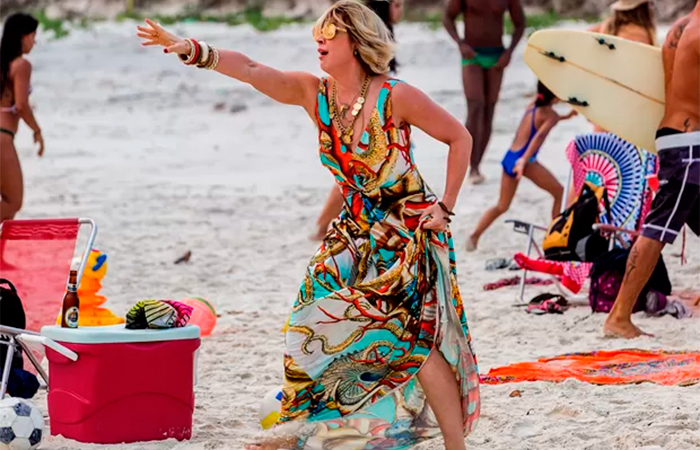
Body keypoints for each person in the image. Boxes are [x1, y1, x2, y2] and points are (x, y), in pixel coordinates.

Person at [136, 1, 480, 449]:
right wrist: (192, 48)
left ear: (355, 42)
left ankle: (456, 446)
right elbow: (254, 69)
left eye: (329, 33)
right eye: (317, 32)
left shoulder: (396, 95)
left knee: (416, 338)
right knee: (310, 316)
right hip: (354, 231)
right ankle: (331, 429)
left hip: (408, 232)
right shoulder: (313, 93)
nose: (318, 40)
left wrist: (446, 206)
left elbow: (460, 137)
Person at [604, 2, 699, 339]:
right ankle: (618, 317)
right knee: (657, 230)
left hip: (674, 137)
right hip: (691, 144)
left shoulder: (680, 27)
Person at [310, 0, 404, 241]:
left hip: (381, 114)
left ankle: (324, 225)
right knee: (356, 172)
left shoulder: (378, 35)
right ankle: (322, 225)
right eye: (398, 4)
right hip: (377, 115)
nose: (400, 10)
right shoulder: (371, 33)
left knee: (361, 173)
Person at [467, 82, 577, 251]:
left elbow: (542, 121)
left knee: (502, 205)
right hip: (525, 161)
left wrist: (566, 117)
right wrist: (524, 160)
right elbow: (538, 137)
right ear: (556, 96)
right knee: (559, 193)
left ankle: (474, 236)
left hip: (510, 157)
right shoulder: (551, 116)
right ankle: (555, 236)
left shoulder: (533, 104)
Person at [443, 0, 525, 185]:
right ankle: (470, 166)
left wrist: (510, 51)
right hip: (472, 54)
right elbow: (448, 18)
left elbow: (520, 23)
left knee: (489, 110)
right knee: (475, 106)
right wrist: (460, 43)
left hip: (497, 54)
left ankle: (477, 164)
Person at [0, 12, 43, 222]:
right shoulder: (21, 65)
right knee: (12, 201)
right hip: (2, 137)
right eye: (33, 35)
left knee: (8, 210)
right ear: (22, 36)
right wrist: (37, 130)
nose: (35, 42)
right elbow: (22, 105)